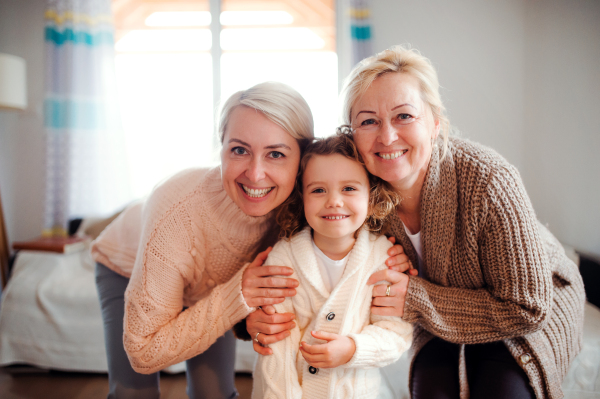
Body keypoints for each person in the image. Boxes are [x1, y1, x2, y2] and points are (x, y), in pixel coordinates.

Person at [248, 46, 586, 399]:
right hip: (437, 319)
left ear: (435, 122)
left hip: (523, 312)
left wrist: (415, 297)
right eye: (368, 121)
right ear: (352, 134)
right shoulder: (355, 191)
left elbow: (527, 307)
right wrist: (253, 318)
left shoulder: (489, 181)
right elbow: (304, 257)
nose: (387, 136)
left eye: (404, 116)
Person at [92, 81, 409, 399]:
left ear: (301, 161)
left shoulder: (311, 201)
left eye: (275, 154)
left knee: (213, 393)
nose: (256, 174)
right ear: (221, 148)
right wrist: (238, 295)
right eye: (239, 150)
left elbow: (366, 216)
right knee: (133, 394)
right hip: (127, 263)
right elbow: (144, 352)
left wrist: (397, 254)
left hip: (219, 289)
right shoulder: (174, 208)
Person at [252, 135, 413, 399]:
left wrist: (353, 348)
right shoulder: (284, 258)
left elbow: (395, 334)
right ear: (301, 197)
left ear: (370, 197)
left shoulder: (385, 258)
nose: (334, 201)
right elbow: (276, 343)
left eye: (349, 188)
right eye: (318, 190)